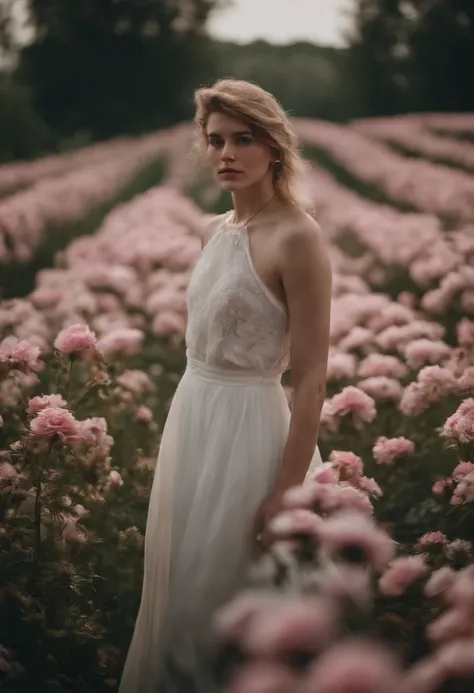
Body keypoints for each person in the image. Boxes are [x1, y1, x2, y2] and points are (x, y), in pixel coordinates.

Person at [118, 78, 332, 692]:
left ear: (275, 147)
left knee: (225, 606)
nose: (226, 154)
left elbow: (313, 377)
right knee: (182, 592)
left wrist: (287, 496)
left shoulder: (298, 236)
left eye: (243, 139)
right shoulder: (215, 229)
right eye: (215, 141)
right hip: (194, 418)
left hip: (250, 432)